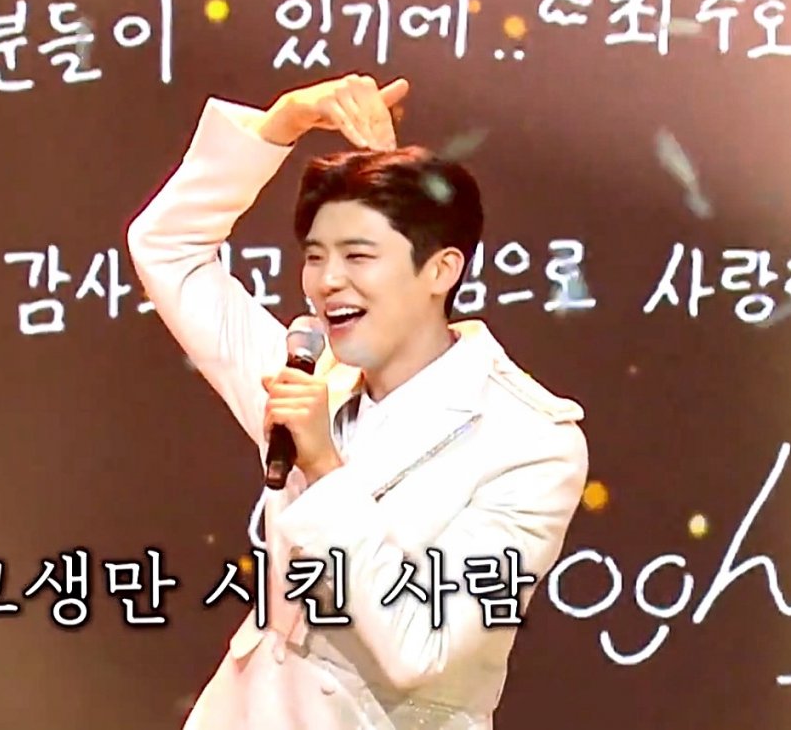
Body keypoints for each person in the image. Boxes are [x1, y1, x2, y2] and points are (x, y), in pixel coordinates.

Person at [126, 73, 588, 730]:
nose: (327, 282)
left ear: (441, 270)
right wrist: (281, 124)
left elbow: (422, 645)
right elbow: (167, 249)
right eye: (316, 257)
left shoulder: (532, 441)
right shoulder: (312, 380)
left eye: (358, 255)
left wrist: (323, 467)